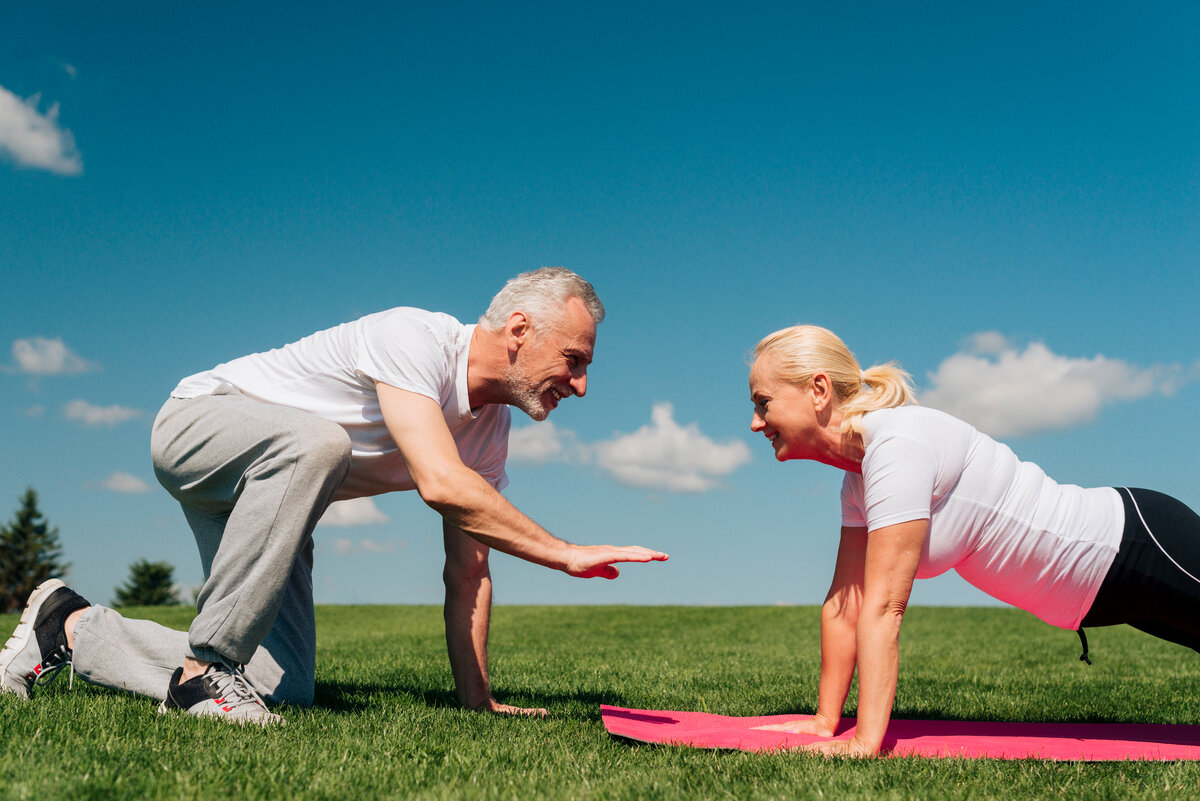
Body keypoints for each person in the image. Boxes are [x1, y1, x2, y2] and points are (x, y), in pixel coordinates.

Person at [0, 267, 668, 725]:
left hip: (270, 500)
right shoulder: (417, 338)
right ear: (520, 329)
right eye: (574, 359)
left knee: (283, 687)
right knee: (321, 443)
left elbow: (468, 571)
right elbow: (440, 483)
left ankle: (69, 626)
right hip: (198, 424)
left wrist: (477, 700)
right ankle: (204, 672)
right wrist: (563, 552)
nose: (579, 384)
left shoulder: (487, 431)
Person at [745, 324, 1200, 756]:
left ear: (818, 390)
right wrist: (825, 721)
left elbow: (884, 607)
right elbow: (846, 602)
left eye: (763, 402)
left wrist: (866, 741)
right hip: (1102, 592)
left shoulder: (898, 447)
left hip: (1131, 545)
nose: (755, 422)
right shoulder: (859, 482)